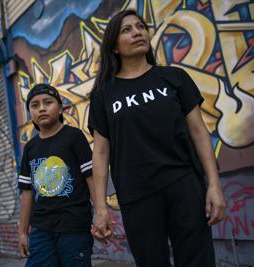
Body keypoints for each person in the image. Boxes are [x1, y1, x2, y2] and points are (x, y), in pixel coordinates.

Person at [88, 9, 226, 267]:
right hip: (137, 195)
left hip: (184, 184)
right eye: (126, 30)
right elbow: (101, 153)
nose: (137, 32)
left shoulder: (174, 78)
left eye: (140, 26)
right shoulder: (104, 94)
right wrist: (101, 208)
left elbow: (199, 133)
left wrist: (214, 185)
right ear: (114, 46)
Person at [18, 83, 96, 267]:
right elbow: (27, 193)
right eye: (35, 105)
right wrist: (23, 231)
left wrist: (101, 213)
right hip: (41, 229)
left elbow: (91, 177)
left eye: (48, 102)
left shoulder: (74, 137)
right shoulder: (30, 148)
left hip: (74, 224)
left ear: (60, 107)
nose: (42, 108)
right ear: (30, 112)